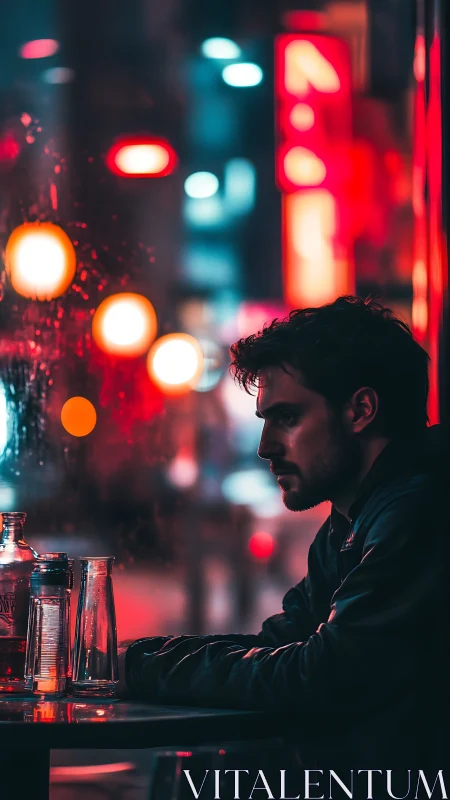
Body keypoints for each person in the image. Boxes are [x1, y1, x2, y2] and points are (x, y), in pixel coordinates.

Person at [121, 296, 449, 770]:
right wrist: (138, 655)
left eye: (287, 418)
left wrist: (135, 666)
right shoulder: (350, 522)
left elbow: (316, 675)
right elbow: (281, 642)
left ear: (360, 411)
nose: (264, 447)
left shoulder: (418, 512)